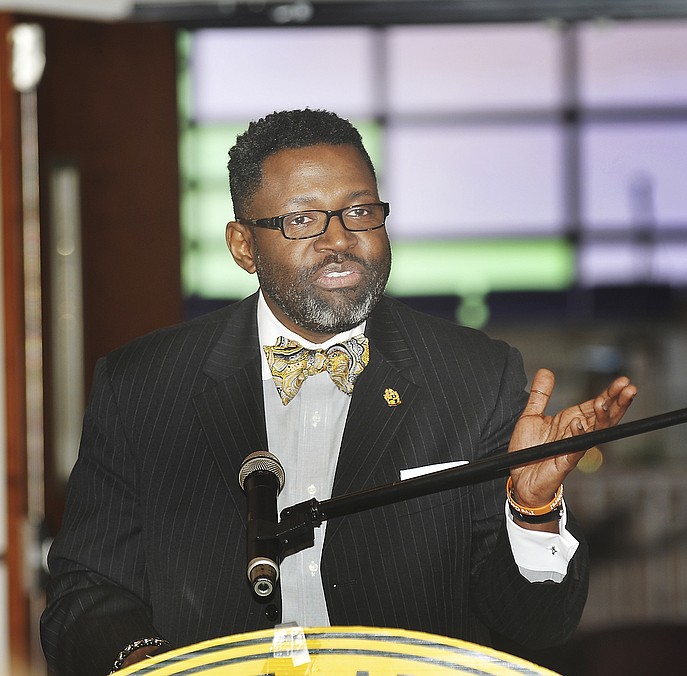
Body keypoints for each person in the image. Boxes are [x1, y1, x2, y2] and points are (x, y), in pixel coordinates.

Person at [40, 109, 637, 676]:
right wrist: (151, 664)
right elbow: (85, 592)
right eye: (303, 220)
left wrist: (530, 512)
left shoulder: (476, 377)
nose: (341, 240)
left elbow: (538, 627)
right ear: (243, 245)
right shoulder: (144, 384)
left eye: (360, 213)